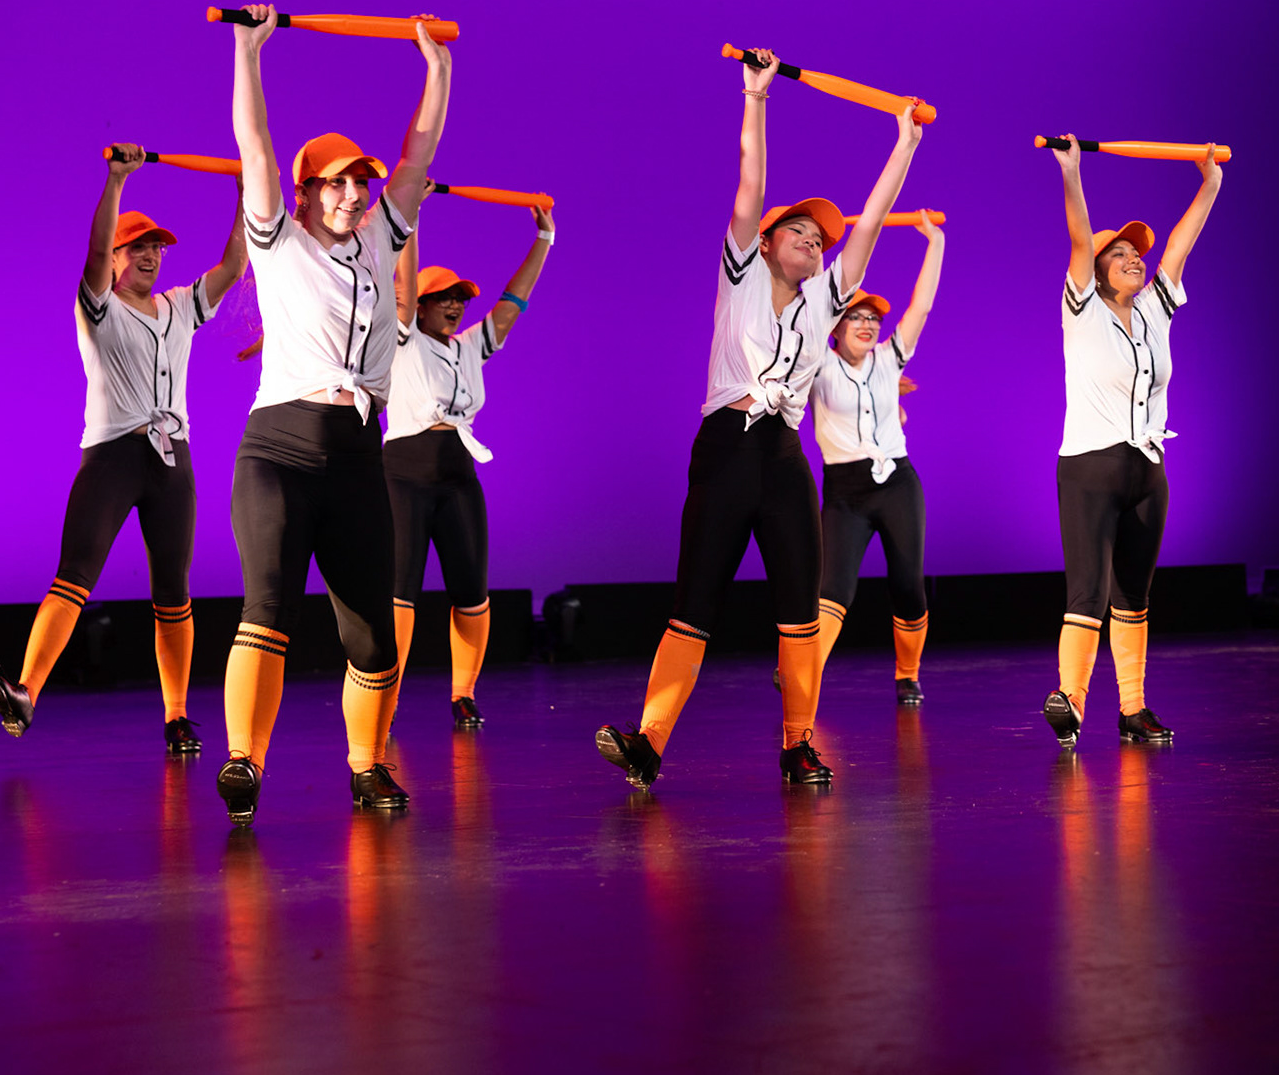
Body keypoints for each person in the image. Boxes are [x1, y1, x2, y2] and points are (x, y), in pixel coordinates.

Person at [595, 47, 924, 789]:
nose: (812, 241)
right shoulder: (740, 272)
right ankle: (648, 742)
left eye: (819, 239)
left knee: (799, 606)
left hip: (781, 457)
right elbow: (751, 182)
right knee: (695, 600)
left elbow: (872, 223)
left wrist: (904, 143)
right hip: (724, 448)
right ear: (767, 242)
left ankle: (798, 743)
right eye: (798, 232)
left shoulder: (825, 301)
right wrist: (757, 97)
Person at [214, 3, 451, 826]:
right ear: (307, 191)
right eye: (336, 183)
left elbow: (419, 154)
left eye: (361, 183)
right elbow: (255, 144)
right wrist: (249, 52)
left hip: (356, 458)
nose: (354, 194)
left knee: (373, 636)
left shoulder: (383, 239)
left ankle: (367, 765)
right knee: (269, 606)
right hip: (279, 450)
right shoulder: (277, 240)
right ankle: (244, 760)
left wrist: (437, 67)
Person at [0, 145, 247, 751]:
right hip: (112, 458)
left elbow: (233, 266)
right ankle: (26, 692)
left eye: (157, 248)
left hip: (171, 463)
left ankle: (177, 717)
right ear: (119, 259)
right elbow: (96, 252)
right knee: (74, 576)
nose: (151, 256)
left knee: (173, 593)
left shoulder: (179, 307)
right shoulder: (97, 308)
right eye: (139, 248)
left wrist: (242, 192)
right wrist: (117, 181)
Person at [1042, 135, 1220, 747]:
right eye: (1118, 254)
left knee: (1134, 596)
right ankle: (1071, 701)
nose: (1134, 259)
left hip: (1148, 470)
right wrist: (1072, 172)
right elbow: (1078, 236)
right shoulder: (1082, 309)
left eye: (1136, 254)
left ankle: (1133, 709)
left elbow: (1180, 245)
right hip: (1089, 470)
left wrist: (1210, 183)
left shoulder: (1154, 312)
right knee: (1088, 592)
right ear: (1096, 270)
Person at [382, 199, 556, 734]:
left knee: (472, 591)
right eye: (444, 298)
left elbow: (513, 302)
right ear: (420, 306)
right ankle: (383, 695)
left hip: (457, 476)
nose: (455, 305)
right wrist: (411, 217)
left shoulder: (469, 347)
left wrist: (543, 240)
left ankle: (464, 693)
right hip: (405, 475)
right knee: (400, 592)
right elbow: (404, 283)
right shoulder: (403, 340)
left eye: (459, 298)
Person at [809, 217, 945, 704]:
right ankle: (805, 672)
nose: (867, 325)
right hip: (845, 492)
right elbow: (815, 302)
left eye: (873, 319)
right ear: (836, 327)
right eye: (856, 317)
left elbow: (921, 306)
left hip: (897, 484)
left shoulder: (889, 359)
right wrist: (820, 251)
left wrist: (936, 242)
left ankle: (907, 673)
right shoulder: (819, 365)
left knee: (908, 583)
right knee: (834, 589)